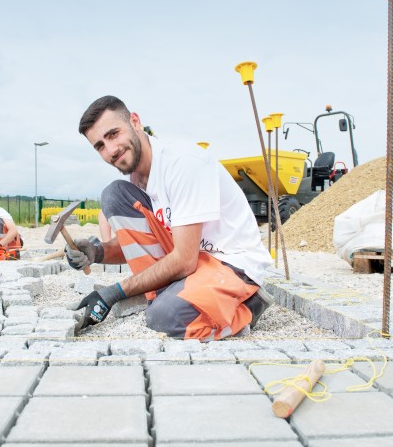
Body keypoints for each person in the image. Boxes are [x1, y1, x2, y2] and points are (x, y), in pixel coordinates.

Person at [66, 95, 273, 340]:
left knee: (166, 318)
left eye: (113, 134)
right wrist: (96, 252)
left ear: (135, 122)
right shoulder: (136, 180)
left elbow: (184, 260)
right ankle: (164, 294)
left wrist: (115, 292)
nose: (111, 150)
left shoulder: (183, 164)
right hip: (193, 257)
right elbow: (141, 244)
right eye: (100, 146)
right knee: (114, 195)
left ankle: (247, 307)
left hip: (230, 263)